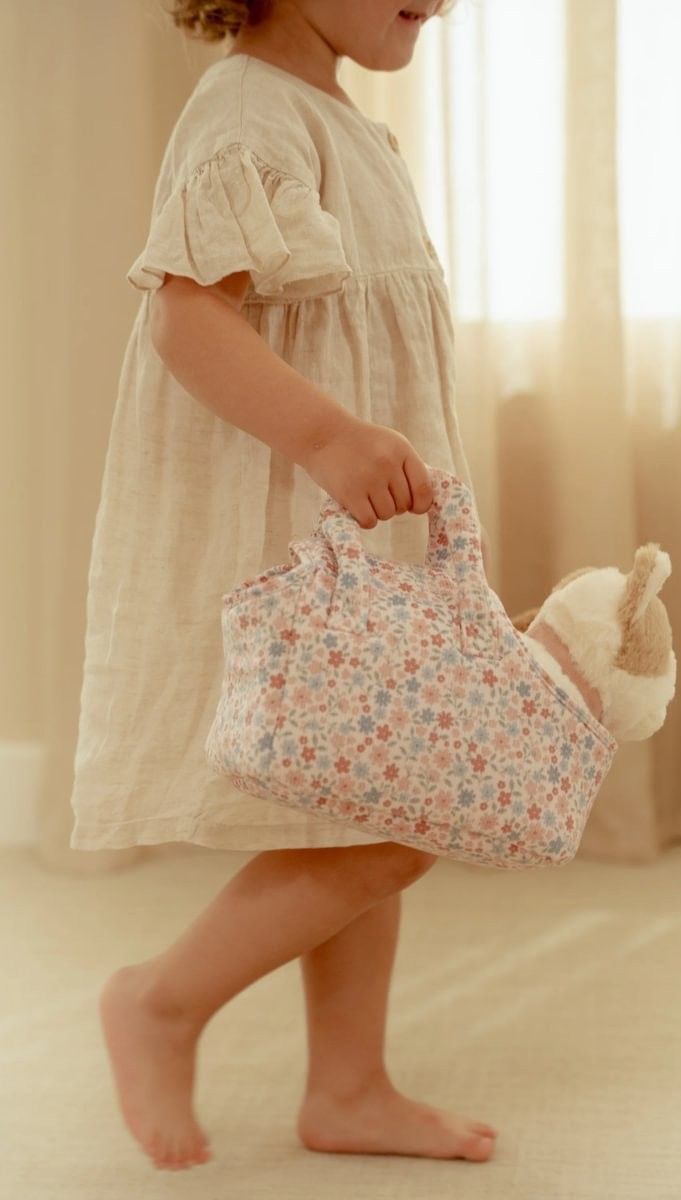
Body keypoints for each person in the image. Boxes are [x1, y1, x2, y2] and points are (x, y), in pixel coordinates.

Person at [70, 0, 496, 1173]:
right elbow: (186, 318)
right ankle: (161, 999)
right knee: (402, 815)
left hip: (362, 533)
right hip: (305, 528)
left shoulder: (340, 121)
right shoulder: (250, 117)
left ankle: (348, 1086)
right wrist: (325, 437)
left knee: (370, 800)